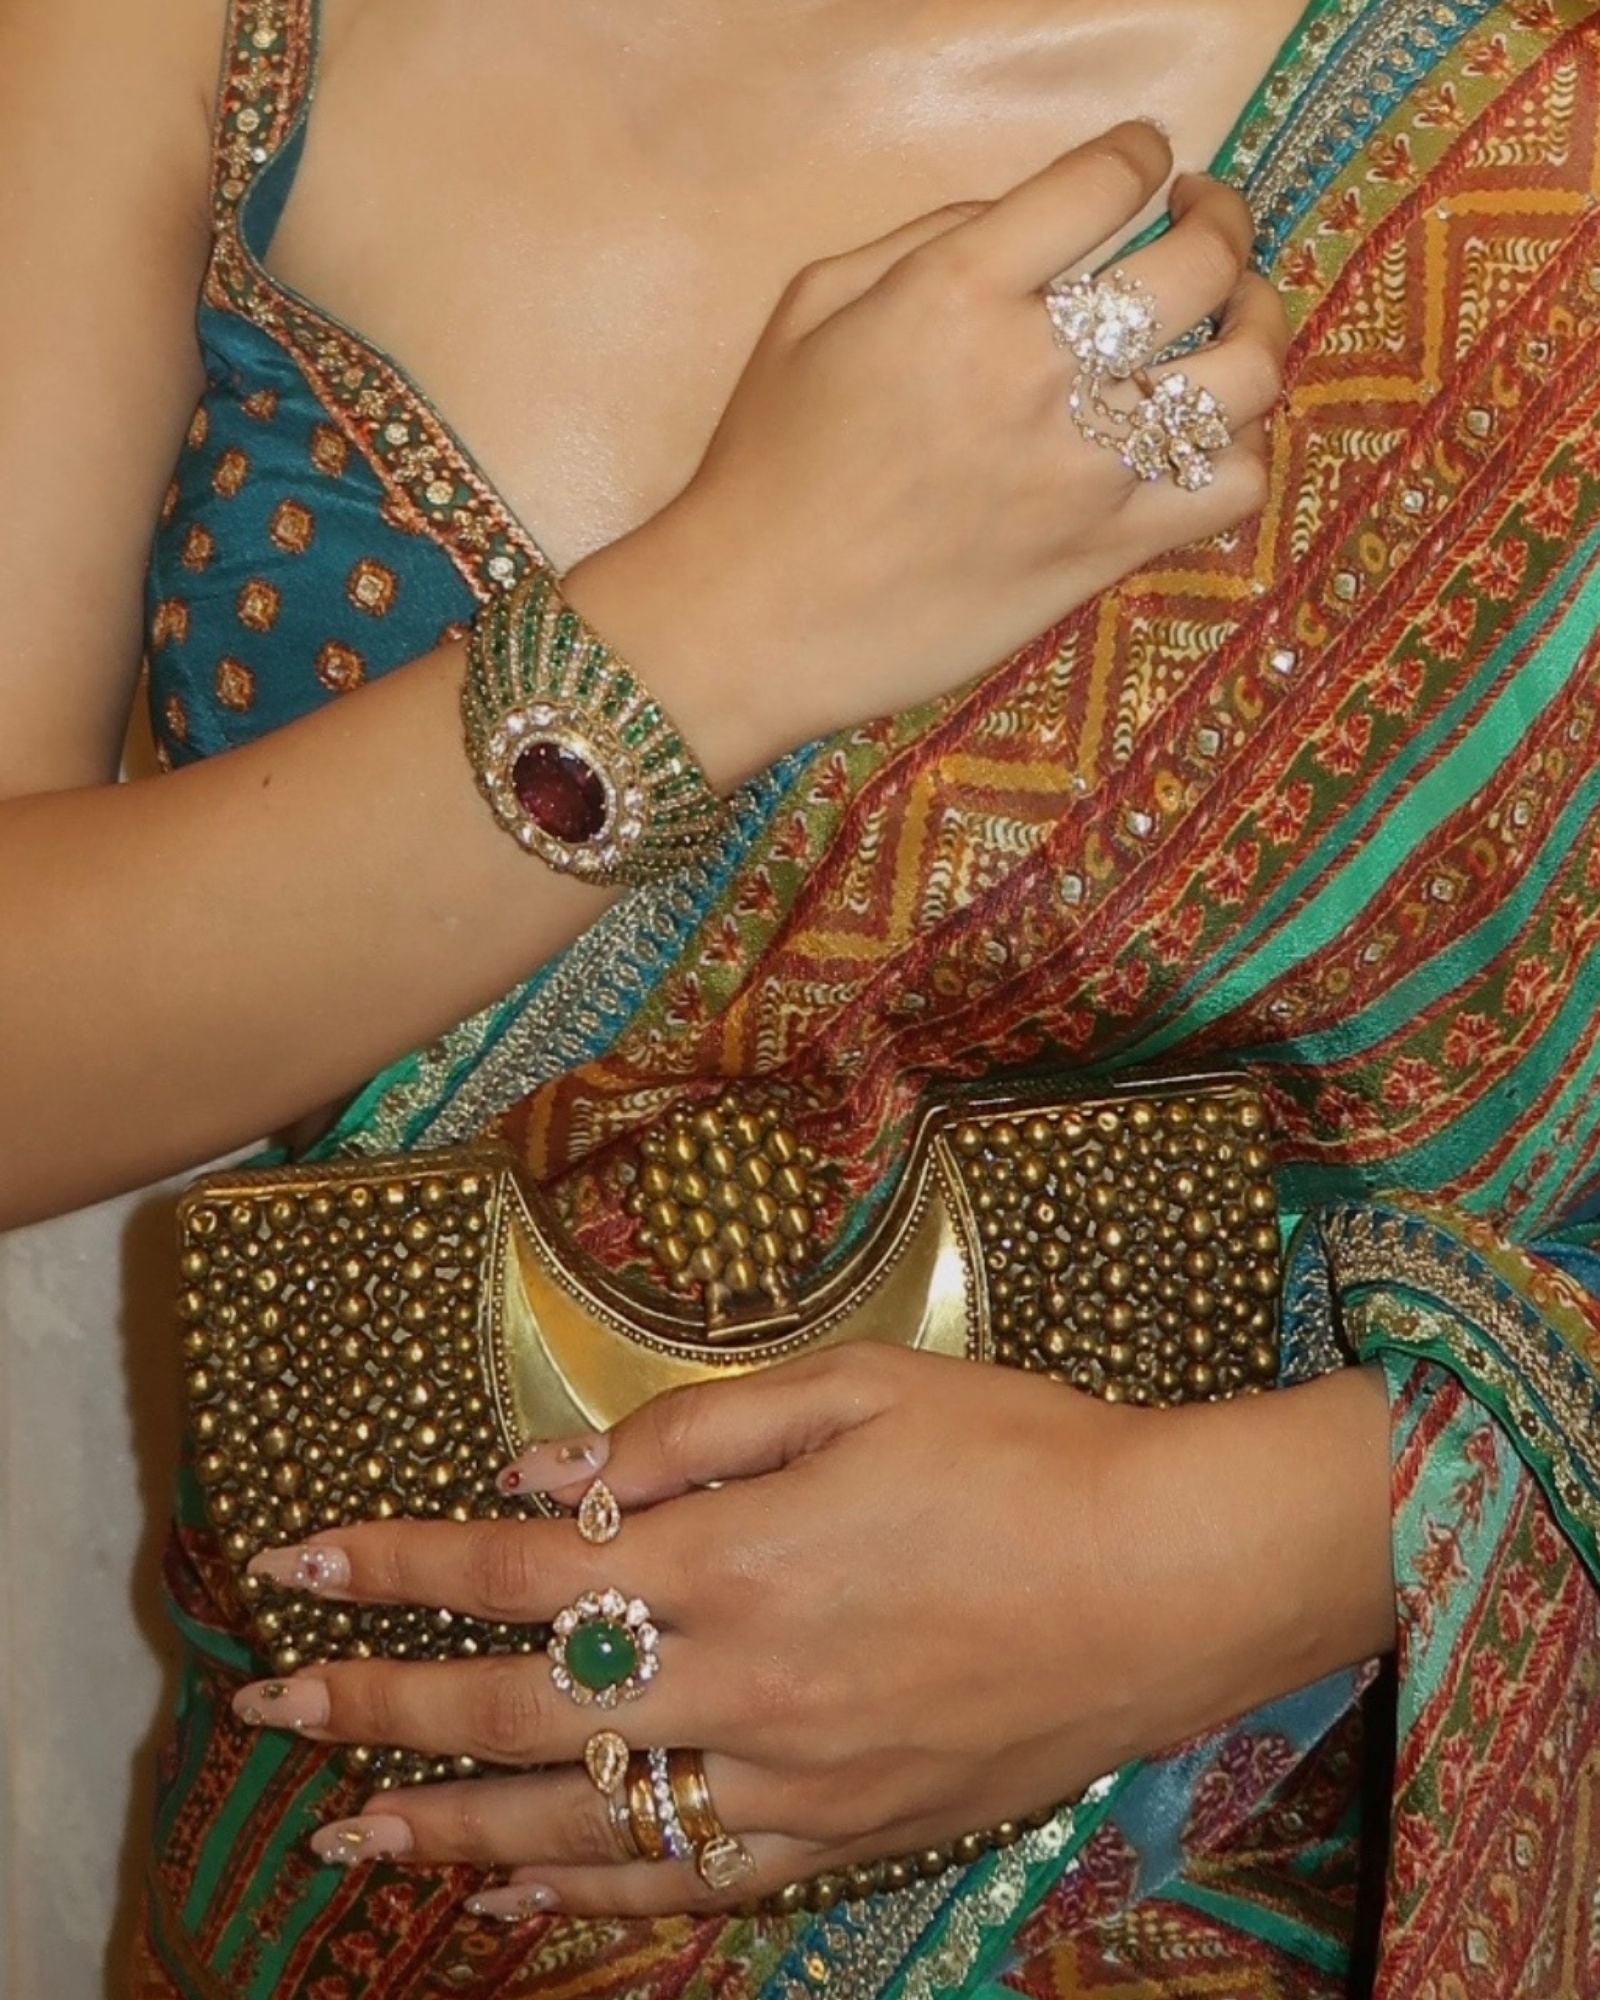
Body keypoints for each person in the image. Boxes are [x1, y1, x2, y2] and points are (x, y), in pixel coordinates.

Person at [3, 0, 1596, 1994]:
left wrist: (1246, 1552)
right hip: (368, 1887)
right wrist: (720, 623)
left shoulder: (1534, 114)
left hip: (1273, 1866)